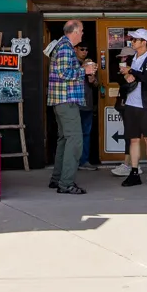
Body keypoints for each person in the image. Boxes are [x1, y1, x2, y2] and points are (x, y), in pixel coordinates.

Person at [47, 20, 94, 194]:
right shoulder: (66, 48)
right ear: (73, 31)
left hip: (60, 100)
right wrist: (85, 71)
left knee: (64, 139)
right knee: (75, 140)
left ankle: (57, 179)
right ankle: (66, 184)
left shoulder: (61, 46)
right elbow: (64, 73)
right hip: (67, 101)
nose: (82, 34)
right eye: (81, 31)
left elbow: (62, 71)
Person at [115, 28, 147, 188]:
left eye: (135, 40)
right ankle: (134, 172)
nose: (132, 42)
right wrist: (125, 76)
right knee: (133, 139)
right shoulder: (128, 59)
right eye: (132, 39)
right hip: (130, 104)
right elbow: (119, 77)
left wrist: (132, 72)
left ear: (144, 42)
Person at [75, 43, 98, 171]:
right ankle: (73, 161)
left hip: (87, 104)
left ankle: (84, 161)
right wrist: (82, 70)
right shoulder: (73, 64)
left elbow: (96, 84)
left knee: (86, 133)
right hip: (74, 105)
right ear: (75, 49)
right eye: (82, 48)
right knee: (73, 134)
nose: (85, 51)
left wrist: (92, 78)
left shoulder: (90, 65)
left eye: (86, 49)